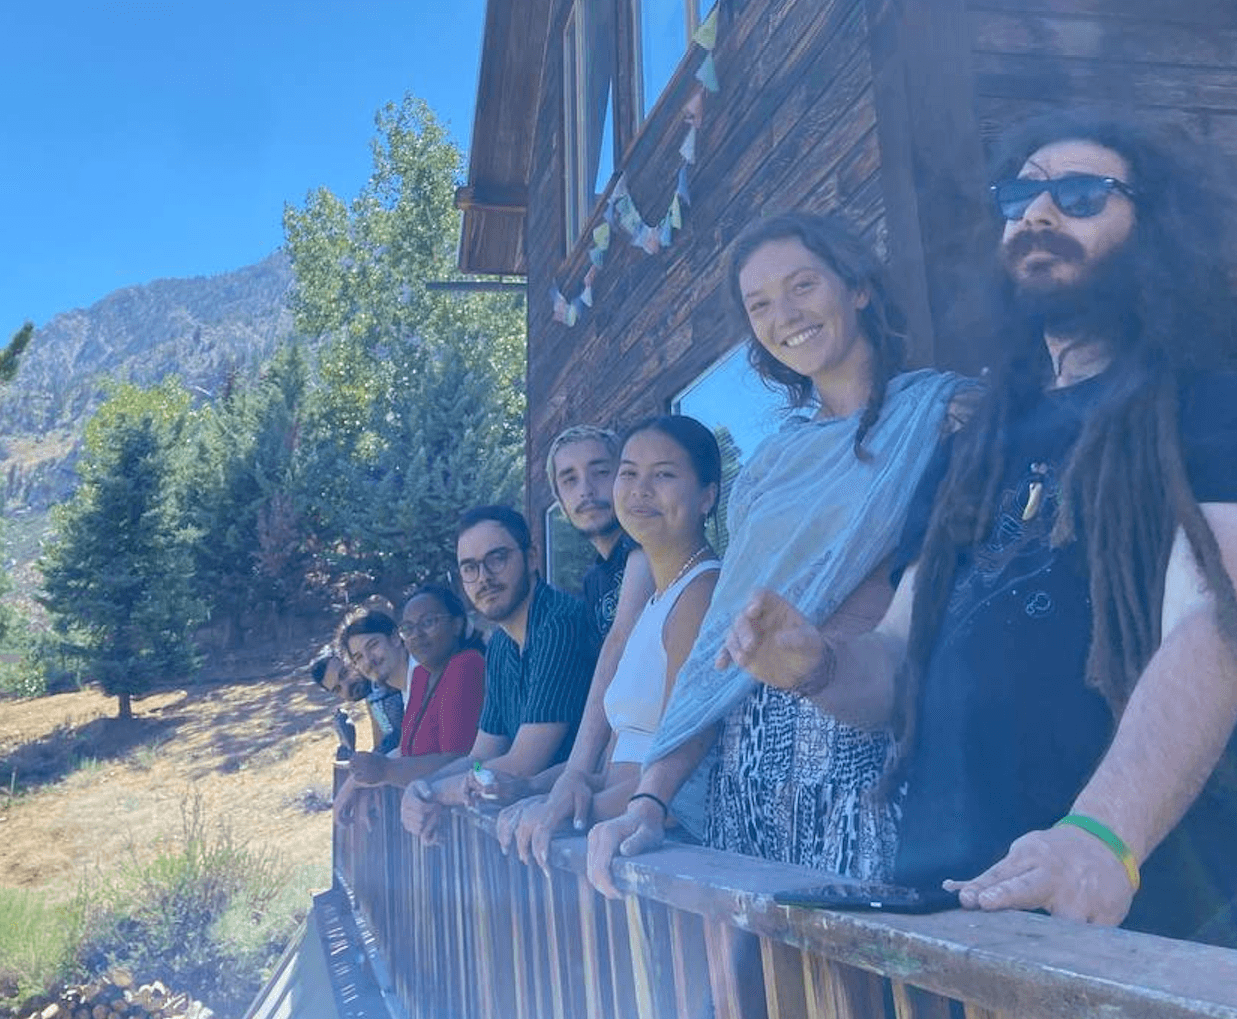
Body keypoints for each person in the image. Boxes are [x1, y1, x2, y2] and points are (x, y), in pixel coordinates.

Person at [719, 111, 1237, 945]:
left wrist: (1102, 836)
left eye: (1078, 193)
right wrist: (814, 665)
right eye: (1020, 194)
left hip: (1144, 906)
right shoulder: (973, 442)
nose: (1037, 213)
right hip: (953, 905)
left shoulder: (1209, 402)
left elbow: (1217, 622)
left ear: (1156, 224)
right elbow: (896, 661)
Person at [585, 212, 971, 896]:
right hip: (748, 768)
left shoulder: (945, 417)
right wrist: (651, 799)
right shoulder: (768, 467)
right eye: (759, 305)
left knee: (864, 988)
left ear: (856, 287)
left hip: (866, 761)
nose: (783, 315)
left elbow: (932, 606)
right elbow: (720, 646)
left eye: (802, 286)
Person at [502, 417, 720, 857]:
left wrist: (572, 814)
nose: (641, 489)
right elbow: (624, 756)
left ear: (707, 497)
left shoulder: (702, 593)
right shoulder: (653, 602)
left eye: (664, 474)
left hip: (674, 852)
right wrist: (551, 792)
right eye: (630, 473)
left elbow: (690, 766)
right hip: (625, 842)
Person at [400, 505, 599, 843]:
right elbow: (481, 757)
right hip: (537, 830)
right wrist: (421, 789)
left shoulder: (559, 623)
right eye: (470, 568)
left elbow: (523, 765)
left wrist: (438, 794)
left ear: (532, 556)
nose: (484, 578)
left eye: (497, 559)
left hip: (588, 824)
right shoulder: (500, 647)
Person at [336, 584, 488, 823]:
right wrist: (365, 780)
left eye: (428, 623)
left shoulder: (466, 666)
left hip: (465, 819)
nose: (417, 635)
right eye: (409, 628)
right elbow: (408, 752)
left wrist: (384, 772)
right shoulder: (420, 678)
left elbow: (467, 761)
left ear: (457, 625)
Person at [547, 425, 638, 640]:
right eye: (570, 480)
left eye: (600, 472)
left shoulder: (652, 547)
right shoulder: (592, 583)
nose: (585, 490)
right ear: (560, 501)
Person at [339, 610, 410, 754]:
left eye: (372, 646)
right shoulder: (403, 691)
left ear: (395, 637)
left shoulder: (428, 675)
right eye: (358, 657)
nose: (369, 660)